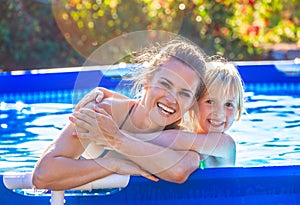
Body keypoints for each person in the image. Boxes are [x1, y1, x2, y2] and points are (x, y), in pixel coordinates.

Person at [32, 38, 207, 191]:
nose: (171, 98)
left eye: (184, 93)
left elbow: (179, 171)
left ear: (192, 103)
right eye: (165, 84)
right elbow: (42, 175)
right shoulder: (103, 112)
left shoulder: (183, 138)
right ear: (147, 80)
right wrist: (112, 165)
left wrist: (116, 139)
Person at [73, 56, 244, 170]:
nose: (219, 113)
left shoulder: (225, 144)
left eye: (229, 104)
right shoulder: (180, 128)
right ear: (193, 104)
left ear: (238, 109)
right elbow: (140, 108)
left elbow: (171, 140)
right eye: (210, 102)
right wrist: (105, 92)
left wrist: (113, 137)